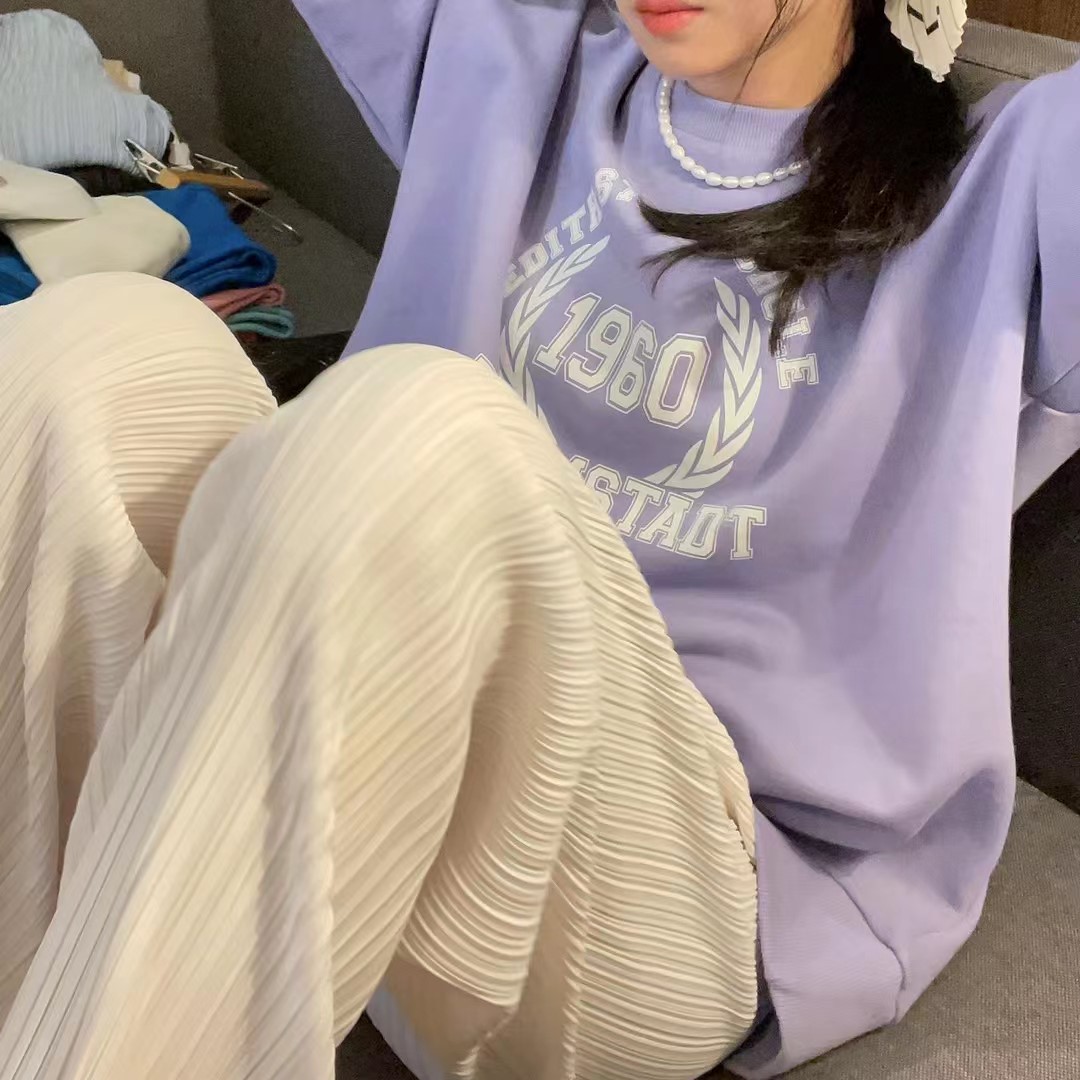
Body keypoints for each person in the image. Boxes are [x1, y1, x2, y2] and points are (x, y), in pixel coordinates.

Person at [0, 3, 1076, 1080]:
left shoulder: (1011, 179)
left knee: (424, 426)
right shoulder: (515, 49)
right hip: (362, 790)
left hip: (677, 891)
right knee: (96, 346)